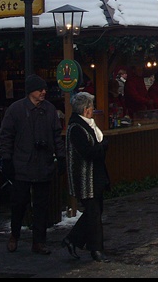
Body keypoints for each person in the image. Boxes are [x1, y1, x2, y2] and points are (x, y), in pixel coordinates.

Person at [0, 74, 66, 255]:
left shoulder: (50, 109)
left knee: (41, 206)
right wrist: (6, 159)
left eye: (44, 89)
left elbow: (56, 135)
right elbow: (6, 136)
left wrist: (61, 157)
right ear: (31, 91)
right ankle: (15, 235)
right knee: (19, 203)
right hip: (22, 163)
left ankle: (39, 241)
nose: (44, 92)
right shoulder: (16, 110)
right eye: (40, 89)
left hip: (43, 164)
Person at [63, 92, 111, 263]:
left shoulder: (88, 125)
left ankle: (72, 239)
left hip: (95, 176)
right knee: (93, 213)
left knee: (96, 211)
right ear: (85, 109)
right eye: (91, 107)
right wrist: (103, 146)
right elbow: (87, 152)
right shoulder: (76, 128)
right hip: (84, 178)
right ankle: (96, 250)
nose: (92, 109)